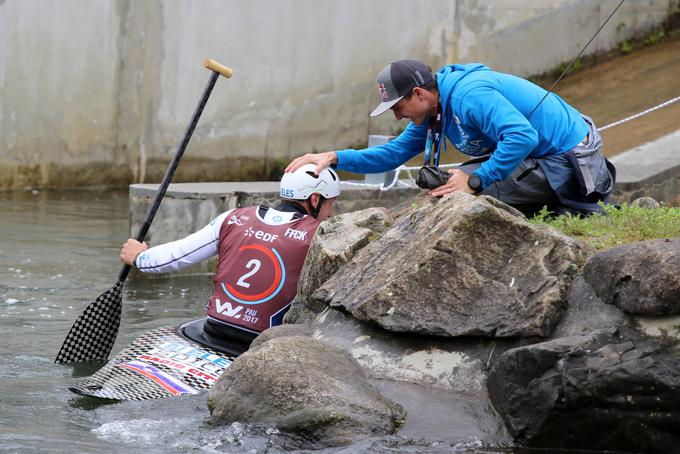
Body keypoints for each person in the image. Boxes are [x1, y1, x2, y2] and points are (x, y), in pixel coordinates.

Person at [286, 59, 615, 216]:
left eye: (397, 107)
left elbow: (522, 137)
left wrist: (475, 182)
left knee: (456, 192)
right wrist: (334, 157)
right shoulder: (434, 109)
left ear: (417, 93)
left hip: (569, 159)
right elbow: (393, 155)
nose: (396, 115)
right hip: (539, 159)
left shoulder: (470, 97)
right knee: (446, 184)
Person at [119, 164, 341, 354]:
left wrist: (139, 257)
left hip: (214, 329)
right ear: (314, 199)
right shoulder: (321, 234)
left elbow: (174, 257)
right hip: (261, 344)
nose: (330, 214)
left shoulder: (233, 218)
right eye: (330, 204)